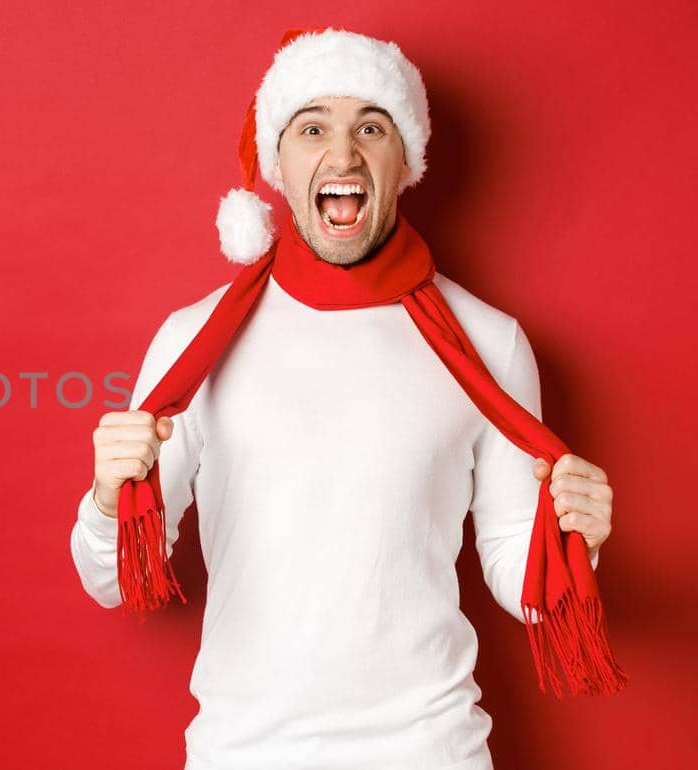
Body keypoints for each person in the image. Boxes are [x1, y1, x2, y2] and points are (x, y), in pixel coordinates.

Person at [68, 28, 618, 770]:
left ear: (405, 158)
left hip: (432, 750)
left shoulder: (490, 345)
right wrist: (107, 499)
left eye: (370, 126)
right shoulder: (191, 343)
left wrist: (574, 537)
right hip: (243, 753)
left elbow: (525, 588)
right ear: (280, 163)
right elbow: (110, 583)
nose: (343, 153)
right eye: (313, 127)